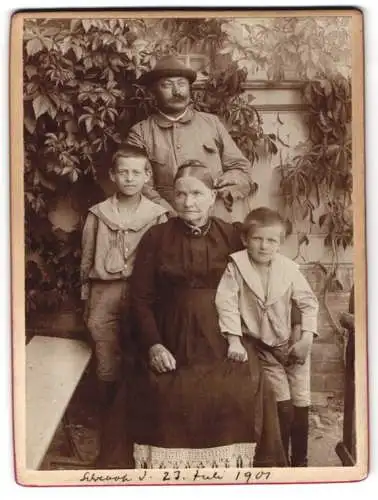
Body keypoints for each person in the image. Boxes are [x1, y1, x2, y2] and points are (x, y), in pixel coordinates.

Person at [98, 160, 287, 469]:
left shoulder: (233, 235)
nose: (188, 202)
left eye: (197, 194)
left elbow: (270, 277)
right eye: (181, 194)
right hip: (170, 335)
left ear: (212, 196)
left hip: (224, 335)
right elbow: (140, 299)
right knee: (158, 390)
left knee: (239, 389)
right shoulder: (157, 237)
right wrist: (154, 345)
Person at [215, 207, 319, 467]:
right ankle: (281, 460)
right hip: (263, 347)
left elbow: (308, 303)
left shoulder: (288, 269)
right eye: (257, 239)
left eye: (272, 240)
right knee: (282, 403)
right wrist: (234, 340)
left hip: (293, 344)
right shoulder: (236, 267)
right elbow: (225, 303)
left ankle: (301, 462)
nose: (264, 246)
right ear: (245, 240)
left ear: (280, 243)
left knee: (301, 399)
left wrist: (306, 338)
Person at [80, 146, 168, 414]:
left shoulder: (157, 215)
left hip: (141, 293)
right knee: (105, 349)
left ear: (147, 176)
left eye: (136, 172)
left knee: (141, 347)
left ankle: (139, 417)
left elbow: (163, 262)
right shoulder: (98, 214)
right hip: (103, 292)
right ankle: (109, 418)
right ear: (112, 176)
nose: (129, 178)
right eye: (123, 172)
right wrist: (86, 297)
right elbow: (87, 257)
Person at [125, 55, 255, 221]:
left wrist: (227, 184)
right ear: (153, 92)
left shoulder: (211, 123)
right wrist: (173, 215)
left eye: (181, 84)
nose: (176, 91)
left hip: (216, 219)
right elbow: (140, 185)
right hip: (168, 222)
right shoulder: (140, 133)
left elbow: (240, 168)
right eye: (167, 85)